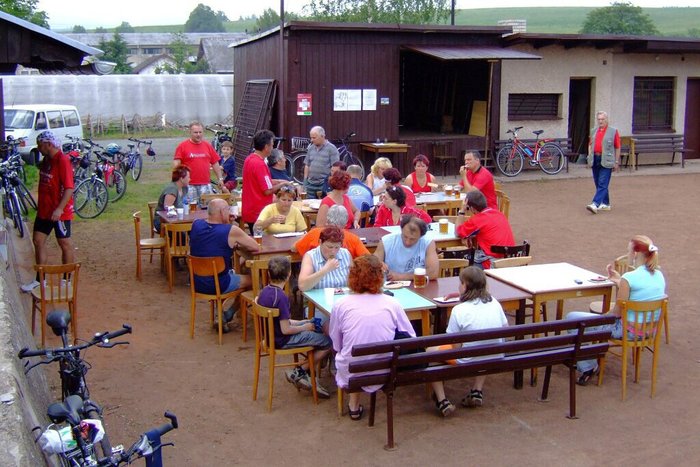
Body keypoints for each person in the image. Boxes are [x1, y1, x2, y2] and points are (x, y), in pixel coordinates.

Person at [566, 235, 665, 385]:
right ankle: (588, 361)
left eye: (629, 251)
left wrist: (600, 318)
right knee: (588, 322)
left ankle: (588, 366)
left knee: (573, 319)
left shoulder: (630, 278)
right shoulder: (659, 275)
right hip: (649, 331)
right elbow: (640, 292)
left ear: (635, 254)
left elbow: (615, 314)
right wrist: (619, 281)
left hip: (626, 331)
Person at [329, 254, 415, 421]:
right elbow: (410, 336)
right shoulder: (392, 303)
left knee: (348, 353)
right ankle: (355, 403)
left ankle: (354, 405)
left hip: (352, 371)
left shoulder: (341, 305)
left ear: (352, 276)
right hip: (385, 369)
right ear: (379, 276)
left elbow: (337, 343)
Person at [429, 267, 508, 416]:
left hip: (467, 359)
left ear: (465, 285)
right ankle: (477, 390)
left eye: (460, 283)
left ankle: (442, 400)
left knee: (430, 352)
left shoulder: (459, 310)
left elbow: (455, 347)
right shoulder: (494, 302)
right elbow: (505, 328)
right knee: (484, 346)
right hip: (495, 355)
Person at [257, 256, 331, 398]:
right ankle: (300, 371)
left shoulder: (265, 292)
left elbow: (282, 320)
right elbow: (286, 329)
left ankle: (308, 372)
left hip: (271, 336)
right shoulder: (282, 298)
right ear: (289, 274)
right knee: (328, 342)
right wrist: (305, 327)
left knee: (312, 326)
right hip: (283, 340)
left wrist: (303, 323)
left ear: (268, 274)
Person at [189, 199, 260, 332]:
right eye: (228, 209)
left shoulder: (196, 224)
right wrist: (230, 225)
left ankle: (220, 313)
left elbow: (212, 239)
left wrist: (227, 223)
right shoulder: (231, 230)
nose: (229, 212)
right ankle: (229, 313)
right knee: (254, 280)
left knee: (228, 273)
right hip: (219, 283)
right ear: (222, 212)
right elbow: (255, 247)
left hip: (196, 282)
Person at [22, 130, 75, 292]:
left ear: (49, 144)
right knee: (38, 241)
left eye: (40, 145)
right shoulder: (46, 160)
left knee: (64, 243)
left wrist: (59, 209)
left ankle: (67, 280)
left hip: (59, 212)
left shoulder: (62, 161)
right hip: (44, 210)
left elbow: (69, 188)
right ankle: (40, 280)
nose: (38, 148)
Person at [242, 130, 293, 232]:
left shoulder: (249, 159)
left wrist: (277, 181)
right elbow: (267, 190)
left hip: (250, 208)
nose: (272, 148)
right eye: (272, 145)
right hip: (259, 212)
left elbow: (259, 181)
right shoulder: (260, 164)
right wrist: (283, 184)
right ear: (266, 147)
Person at [456, 190, 514, 269]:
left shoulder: (477, 220)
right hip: (511, 260)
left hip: (494, 263)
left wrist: (462, 211)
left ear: (472, 208)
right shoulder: (499, 214)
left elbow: (458, 232)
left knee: (466, 261)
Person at [173, 121, 223, 206]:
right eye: (195, 132)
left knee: (207, 208)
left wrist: (220, 178)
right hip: (189, 185)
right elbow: (176, 163)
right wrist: (179, 179)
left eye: (200, 132)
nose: (198, 135)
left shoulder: (207, 146)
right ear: (190, 132)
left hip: (205, 184)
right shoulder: (182, 146)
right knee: (190, 209)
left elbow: (215, 163)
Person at [373, 216, 439, 281]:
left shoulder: (427, 243)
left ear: (421, 236)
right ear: (401, 230)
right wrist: (378, 265)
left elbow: (433, 273)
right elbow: (372, 264)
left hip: (418, 284)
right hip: (390, 283)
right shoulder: (386, 241)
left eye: (412, 239)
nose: (407, 242)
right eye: (405, 237)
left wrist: (402, 277)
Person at [292, 205, 370, 259]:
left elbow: (294, 249)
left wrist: (303, 237)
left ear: (327, 220)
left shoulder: (314, 233)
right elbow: (368, 259)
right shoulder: (354, 239)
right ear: (346, 223)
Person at [586, 110, 621, 214]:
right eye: (599, 119)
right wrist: (589, 157)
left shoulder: (613, 131)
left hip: (607, 160)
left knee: (603, 182)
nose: (600, 121)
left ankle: (595, 203)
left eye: (602, 119)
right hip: (595, 158)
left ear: (606, 120)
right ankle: (605, 203)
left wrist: (616, 161)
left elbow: (617, 147)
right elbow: (590, 144)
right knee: (598, 182)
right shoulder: (593, 131)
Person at [298, 226, 352, 291]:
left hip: (343, 296)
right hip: (318, 297)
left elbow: (354, 279)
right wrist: (325, 270)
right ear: (320, 242)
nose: (333, 251)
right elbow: (302, 286)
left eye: (337, 247)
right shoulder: (310, 256)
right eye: (329, 247)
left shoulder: (346, 254)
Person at [303, 126, 339, 199]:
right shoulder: (311, 148)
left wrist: (330, 183)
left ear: (322, 136)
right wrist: (305, 180)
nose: (311, 140)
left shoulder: (332, 149)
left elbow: (335, 168)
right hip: (310, 184)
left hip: (324, 184)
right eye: (311, 138)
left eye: (314, 138)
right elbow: (307, 165)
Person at [154, 166, 190, 233]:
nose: (190, 179)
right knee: (183, 235)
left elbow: (186, 203)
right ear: (181, 179)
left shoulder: (185, 188)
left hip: (178, 220)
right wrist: (180, 211)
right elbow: (168, 208)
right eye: (188, 177)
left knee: (195, 230)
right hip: (163, 222)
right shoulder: (172, 189)